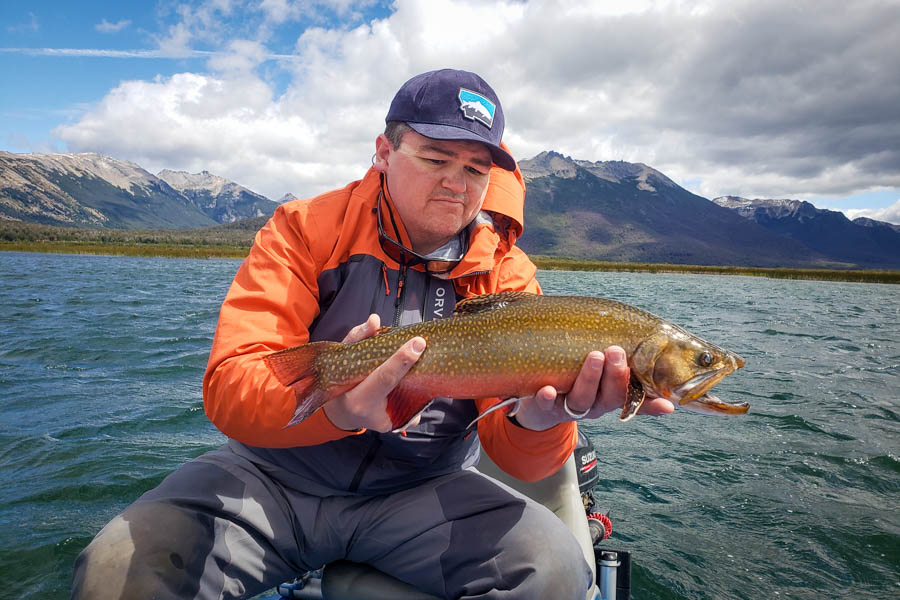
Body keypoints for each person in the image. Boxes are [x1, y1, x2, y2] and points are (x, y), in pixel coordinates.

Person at [72, 68, 674, 600]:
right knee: (117, 571)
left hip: (425, 490)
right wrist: (337, 409)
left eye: (475, 169)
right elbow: (232, 387)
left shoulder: (509, 275)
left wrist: (539, 423)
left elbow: (507, 448)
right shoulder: (304, 229)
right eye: (435, 159)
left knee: (556, 573)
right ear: (385, 150)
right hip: (272, 479)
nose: (456, 185)